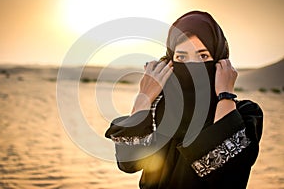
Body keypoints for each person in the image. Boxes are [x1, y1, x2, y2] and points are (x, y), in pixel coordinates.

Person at [105, 11, 263, 189]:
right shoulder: (159, 109)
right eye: (181, 57)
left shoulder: (245, 114)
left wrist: (225, 96)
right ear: (170, 61)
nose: (192, 67)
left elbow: (226, 177)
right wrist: (144, 96)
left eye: (203, 56)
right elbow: (129, 161)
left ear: (221, 61)